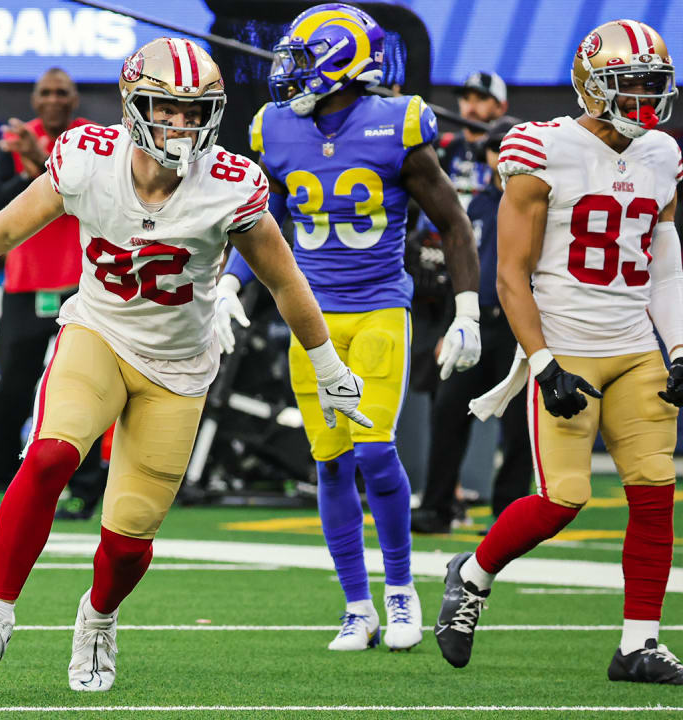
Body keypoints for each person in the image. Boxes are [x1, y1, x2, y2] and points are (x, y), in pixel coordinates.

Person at [0, 37, 371, 691]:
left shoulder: (230, 183)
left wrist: (327, 362)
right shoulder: (87, 158)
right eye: (168, 108)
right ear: (135, 106)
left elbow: (284, 281)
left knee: (129, 536)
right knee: (49, 456)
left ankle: (99, 619)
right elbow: (7, 227)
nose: (183, 124)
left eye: (197, 112)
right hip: (99, 335)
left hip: (180, 366)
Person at [216, 3, 480, 651]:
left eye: (303, 61)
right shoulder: (275, 128)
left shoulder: (395, 124)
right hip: (310, 317)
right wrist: (228, 282)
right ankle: (356, 606)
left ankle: (399, 591)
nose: (289, 74)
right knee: (330, 463)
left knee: (374, 449)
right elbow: (260, 222)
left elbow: (452, 221)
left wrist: (466, 307)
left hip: (380, 305)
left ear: (343, 63)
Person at [437, 20, 683, 684]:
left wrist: (679, 346)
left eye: (651, 85)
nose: (641, 98)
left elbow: (662, 260)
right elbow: (511, 273)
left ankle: (639, 643)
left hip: (636, 347)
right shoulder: (542, 148)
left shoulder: (662, 153)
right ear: (590, 85)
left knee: (656, 492)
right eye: (626, 84)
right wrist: (542, 362)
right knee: (563, 497)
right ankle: (473, 573)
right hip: (567, 345)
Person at [0, 67, 106, 519]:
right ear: (35, 100)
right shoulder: (14, 143)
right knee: (13, 388)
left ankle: (86, 490)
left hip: (82, 284)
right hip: (24, 284)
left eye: (62, 93)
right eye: (46, 93)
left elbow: (85, 192)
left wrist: (38, 157)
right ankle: (4, 483)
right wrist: (34, 164)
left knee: (84, 390)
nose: (53, 100)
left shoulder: (92, 141)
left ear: (74, 100)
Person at [412, 117, 530, 534]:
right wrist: (450, 326)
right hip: (475, 321)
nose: (500, 158)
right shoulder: (474, 205)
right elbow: (457, 274)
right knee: (447, 412)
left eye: (507, 148)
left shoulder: (542, 204)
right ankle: (436, 506)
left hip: (521, 329)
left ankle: (510, 514)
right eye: (494, 150)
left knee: (519, 424)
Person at [439, 72, 509, 206]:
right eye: (466, 98)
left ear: (501, 106)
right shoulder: (444, 146)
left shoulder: (509, 151)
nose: (471, 107)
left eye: (481, 98)